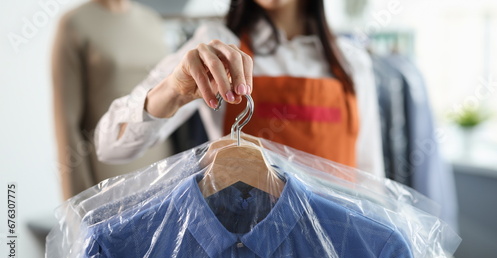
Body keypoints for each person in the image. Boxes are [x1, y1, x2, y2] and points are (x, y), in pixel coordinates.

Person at [94, 0, 384, 176]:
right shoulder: (215, 47)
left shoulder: (351, 62)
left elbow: (369, 178)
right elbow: (109, 146)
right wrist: (173, 90)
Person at [52, 0, 174, 199]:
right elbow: (66, 124)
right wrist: (76, 208)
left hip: (161, 170)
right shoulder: (74, 24)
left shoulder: (152, 21)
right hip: (109, 178)